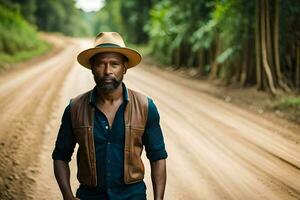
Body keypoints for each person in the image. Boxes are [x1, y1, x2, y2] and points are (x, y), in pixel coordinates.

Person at [52, 32, 168, 200]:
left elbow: (158, 158)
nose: (107, 71)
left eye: (114, 64)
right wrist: (68, 196)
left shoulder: (145, 107)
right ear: (92, 67)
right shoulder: (75, 108)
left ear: (124, 68)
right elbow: (60, 156)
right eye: (101, 64)